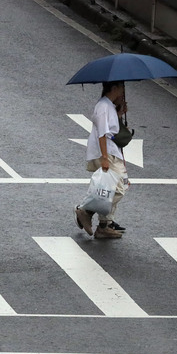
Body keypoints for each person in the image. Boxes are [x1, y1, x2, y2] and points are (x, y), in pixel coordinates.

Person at [74, 81, 129, 239]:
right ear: (114, 88)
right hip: (107, 152)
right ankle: (85, 210)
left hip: (112, 151)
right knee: (117, 190)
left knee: (110, 190)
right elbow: (102, 134)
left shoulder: (109, 106)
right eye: (121, 88)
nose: (123, 91)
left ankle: (103, 226)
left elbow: (110, 128)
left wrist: (119, 113)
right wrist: (105, 158)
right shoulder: (103, 106)